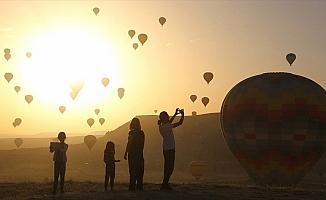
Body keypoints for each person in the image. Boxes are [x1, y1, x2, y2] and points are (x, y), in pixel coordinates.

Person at [158, 108, 184, 190]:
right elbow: (179, 123)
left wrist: (175, 114)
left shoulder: (162, 126)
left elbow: (169, 122)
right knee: (170, 167)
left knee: (167, 167)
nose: (167, 118)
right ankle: (165, 184)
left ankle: (165, 183)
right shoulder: (166, 126)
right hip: (170, 148)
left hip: (166, 148)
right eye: (166, 116)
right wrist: (182, 115)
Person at [124, 118, 145, 191]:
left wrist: (126, 152)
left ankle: (132, 186)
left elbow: (129, 143)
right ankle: (139, 186)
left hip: (132, 154)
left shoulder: (131, 133)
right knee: (140, 170)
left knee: (132, 171)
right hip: (139, 153)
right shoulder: (141, 133)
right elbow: (142, 145)